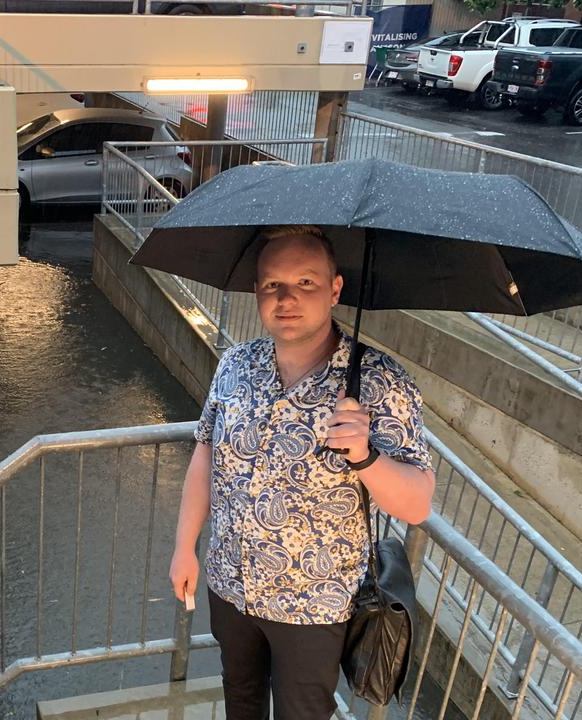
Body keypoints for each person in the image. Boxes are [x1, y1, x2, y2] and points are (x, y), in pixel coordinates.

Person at [168, 225, 435, 720]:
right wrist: (185, 547)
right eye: (272, 284)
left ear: (335, 289)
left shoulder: (378, 381)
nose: (286, 298)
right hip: (230, 583)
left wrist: (365, 455)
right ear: (257, 291)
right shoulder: (235, 365)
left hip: (314, 606)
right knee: (239, 699)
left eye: (306, 283)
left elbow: (417, 503)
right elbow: (206, 454)